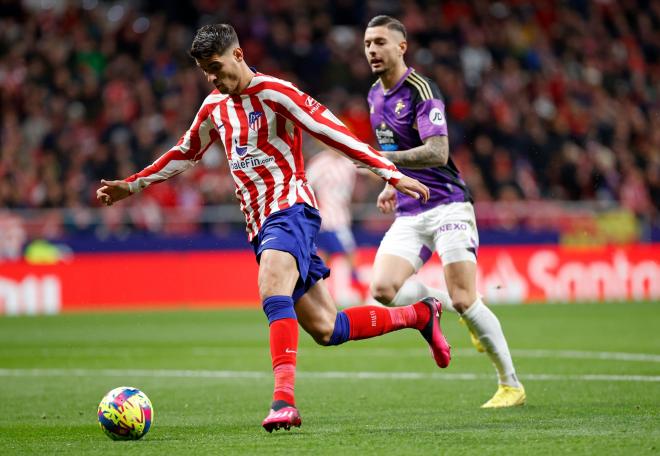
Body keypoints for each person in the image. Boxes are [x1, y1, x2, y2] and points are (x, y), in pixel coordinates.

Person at [96, 23, 451, 433]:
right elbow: (185, 152)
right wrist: (133, 184)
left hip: (291, 210)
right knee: (326, 328)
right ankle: (420, 314)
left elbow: (333, 133)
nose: (212, 77)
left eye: (216, 67)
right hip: (259, 224)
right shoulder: (214, 107)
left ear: (239, 56)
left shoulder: (276, 93)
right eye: (204, 71)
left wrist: (390, 173)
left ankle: (284, 402)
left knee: (271, 285)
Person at [363, 15, 525, 408]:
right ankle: (442, 304)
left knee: (467, 298)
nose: (372, 50)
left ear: (402, 46)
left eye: (380, 42)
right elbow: (398, 150)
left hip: (449, 204)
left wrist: (384, 160)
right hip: (410, 209)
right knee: (383, 290)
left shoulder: (421, 89)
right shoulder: (374, 96)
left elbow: (438, 152)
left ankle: (511, 385)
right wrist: (390, 180)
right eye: (368, 43)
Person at [306, 149, 367, 305]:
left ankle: (315, 293)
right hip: (330, 219)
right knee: (350, 254)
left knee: (324, 257)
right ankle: (361, 292)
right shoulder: (320, 162)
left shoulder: (348, 162)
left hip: (342, 217)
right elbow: (305, 185)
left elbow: (369, 168)